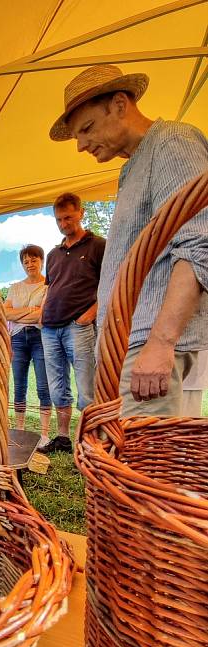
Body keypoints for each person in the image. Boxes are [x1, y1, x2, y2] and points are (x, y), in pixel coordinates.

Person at [50, 63, 208, 416]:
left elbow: (199, 246)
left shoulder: (172, 143)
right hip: (136, 343)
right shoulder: (133, 166)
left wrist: (161, 341)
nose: (81, 145)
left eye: (86, 128)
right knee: (136, 463)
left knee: (148, 467)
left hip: (152, 344)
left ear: (120, 104)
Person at [39, 193, 105, 453]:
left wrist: (89, 315)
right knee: (57, 386)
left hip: (77, 326)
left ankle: (90, 441)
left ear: (81, 213)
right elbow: (50, 287)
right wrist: (43, 314)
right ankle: (64, 437)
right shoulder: (53, 254)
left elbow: (110, 285)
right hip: (50, 327)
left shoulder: (98, 245)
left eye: (68, 217)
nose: (63, 223)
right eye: (59, 219)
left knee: (86, 385)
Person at [3, 244, 52, 448]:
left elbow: (44, 314)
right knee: (19, 385)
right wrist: (31, 311)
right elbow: (4, 313)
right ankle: (20, 430)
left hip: (40, 337)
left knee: (43, 385)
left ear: (41, 261)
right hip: (17, 338)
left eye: (33, 260)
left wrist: (20, 312)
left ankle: (44, 434)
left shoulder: (49, 286)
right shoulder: (15, 287)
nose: (29, 264)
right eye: (25, 261)